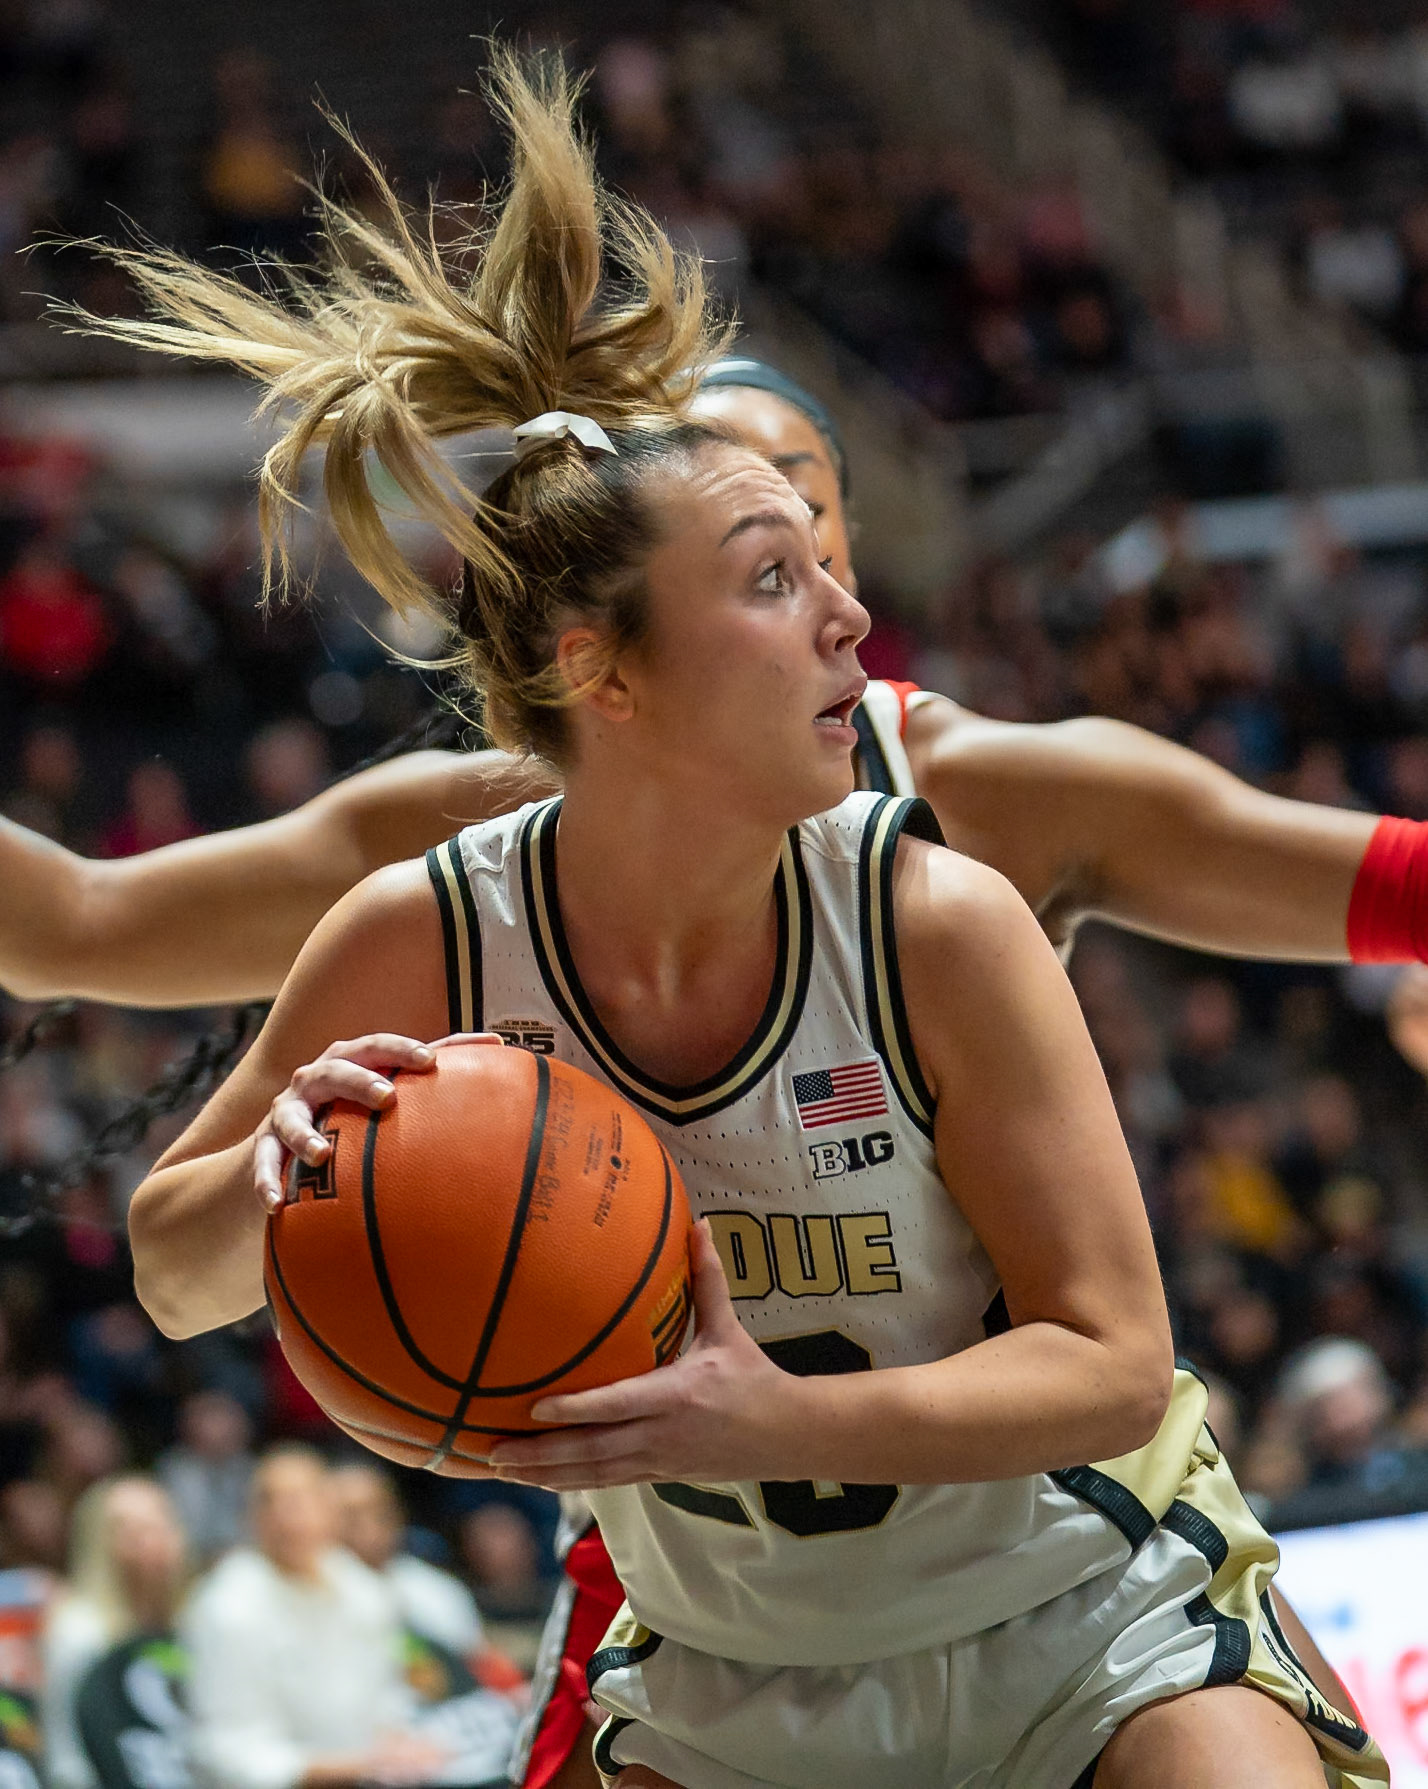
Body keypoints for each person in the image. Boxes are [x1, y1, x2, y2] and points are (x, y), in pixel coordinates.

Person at [82, 53, 1384, 1789]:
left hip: (1074, 1614)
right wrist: (277, 1182)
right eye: (773, 579)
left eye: (824, 562)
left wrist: (776, 1416)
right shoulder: (428, 933)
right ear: (597, 669)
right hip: (725, 1670)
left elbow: (1112, 1360)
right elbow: (171, 1276)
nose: (849, 616)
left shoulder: (933, 915)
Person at [181, 1445, 450, 1789]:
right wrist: (351, 1767)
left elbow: (387, 1696)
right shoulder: (227, 1606)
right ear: (252, 1517)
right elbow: (224, 1748)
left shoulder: (362, 1588)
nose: (290, 1515)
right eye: (272, 1501)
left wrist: (399, 1741)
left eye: (305, 1498)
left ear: (332, 1510)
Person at [42, 1475, 189, 1789]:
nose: (149, 1538)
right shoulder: (78, 1629)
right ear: (98, 1541)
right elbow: (66, 1756)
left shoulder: (193, 1619)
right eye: (128, 1528)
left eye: (158, 1521)